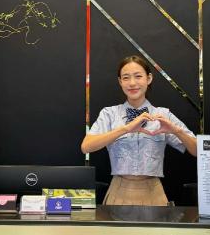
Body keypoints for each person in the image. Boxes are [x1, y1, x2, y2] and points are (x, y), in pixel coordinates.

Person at [81, 55, 197, 206]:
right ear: (120, 82)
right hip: (118, 190)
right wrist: (126, 128)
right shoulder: (109, 113)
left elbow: (197, 151)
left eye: (138, 76)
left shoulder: (163, 114)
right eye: (126, 77)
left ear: (149, 78)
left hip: (154, 192)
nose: (132, 83)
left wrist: (176, 131)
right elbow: (86, 146)